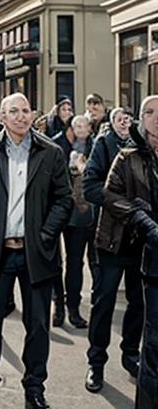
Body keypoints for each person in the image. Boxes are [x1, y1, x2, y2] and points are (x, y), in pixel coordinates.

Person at [0, 93, 73, 409]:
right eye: (14, 111)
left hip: (35, 254)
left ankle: (35, 390)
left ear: (32, 114)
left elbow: (63, 200)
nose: (20, 116)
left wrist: (45, 235)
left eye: (26, 110)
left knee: (37, 326)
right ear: (2, 117)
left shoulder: (50, 153)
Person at [84, 105, 143, 392]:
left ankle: (131, 355)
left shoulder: (143, 146)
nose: (125, 122)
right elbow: (90, 187)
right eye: (120, 118)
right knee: (104, 301)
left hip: (140, 242)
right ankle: (96, 363)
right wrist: (127, 209)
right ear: (111, 121)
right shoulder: (103, 144)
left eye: (129, 119)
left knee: (138, 303)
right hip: (110, 239)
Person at [114, 97, 158, 409]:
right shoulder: (129, 156)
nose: (157, 119)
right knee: (153, 360)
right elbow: (110, 195)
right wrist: (143, 219)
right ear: (140, 119)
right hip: (153, 266)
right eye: (149, 112)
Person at [50, 114, 94, 328]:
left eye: (84, 125)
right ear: (70, 128)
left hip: (86, 213)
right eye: (77, 125)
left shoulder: (96, 146)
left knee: (80, 263)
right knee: (61, 262)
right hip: (63, 211)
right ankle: (61, 306)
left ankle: (75, 308)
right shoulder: (59, 144)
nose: (80, 129)